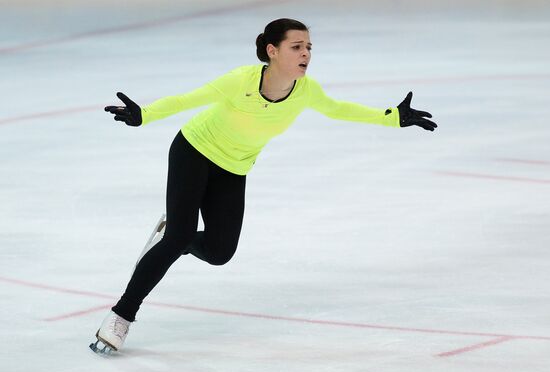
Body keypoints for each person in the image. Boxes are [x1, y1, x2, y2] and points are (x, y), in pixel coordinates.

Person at [90, 18, 437, 354]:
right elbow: (187, 100)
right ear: (272, 50)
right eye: (297, 46)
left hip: (234, 167)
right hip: (193, 152)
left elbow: (338, 109)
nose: (306, 54)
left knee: (218, 251)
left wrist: (391, 117)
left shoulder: (305, 91)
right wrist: (144, 115)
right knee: (181, 235)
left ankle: (168, 240)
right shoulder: (240, 80)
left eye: (309, 47)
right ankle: (121, 316)